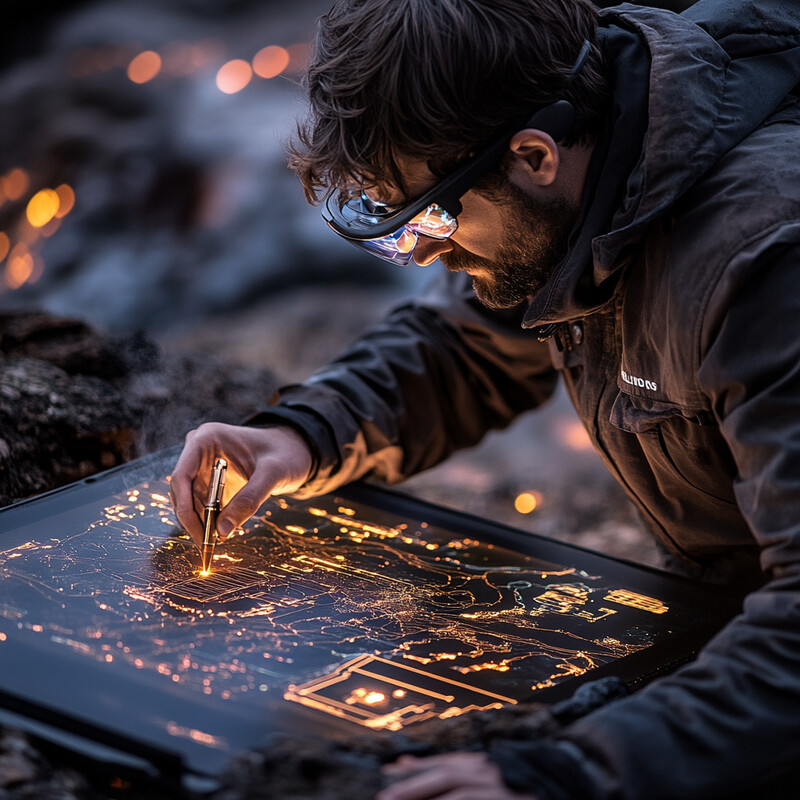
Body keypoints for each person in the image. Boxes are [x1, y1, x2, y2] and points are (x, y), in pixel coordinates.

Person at [170, 0, 800, 796]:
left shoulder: (767, 264)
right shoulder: (599, 170)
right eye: (391, 225)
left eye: (429, 216)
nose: (425, 249)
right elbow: (469, 345)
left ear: (533, 155)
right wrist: (304, 433)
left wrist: (572, 773)